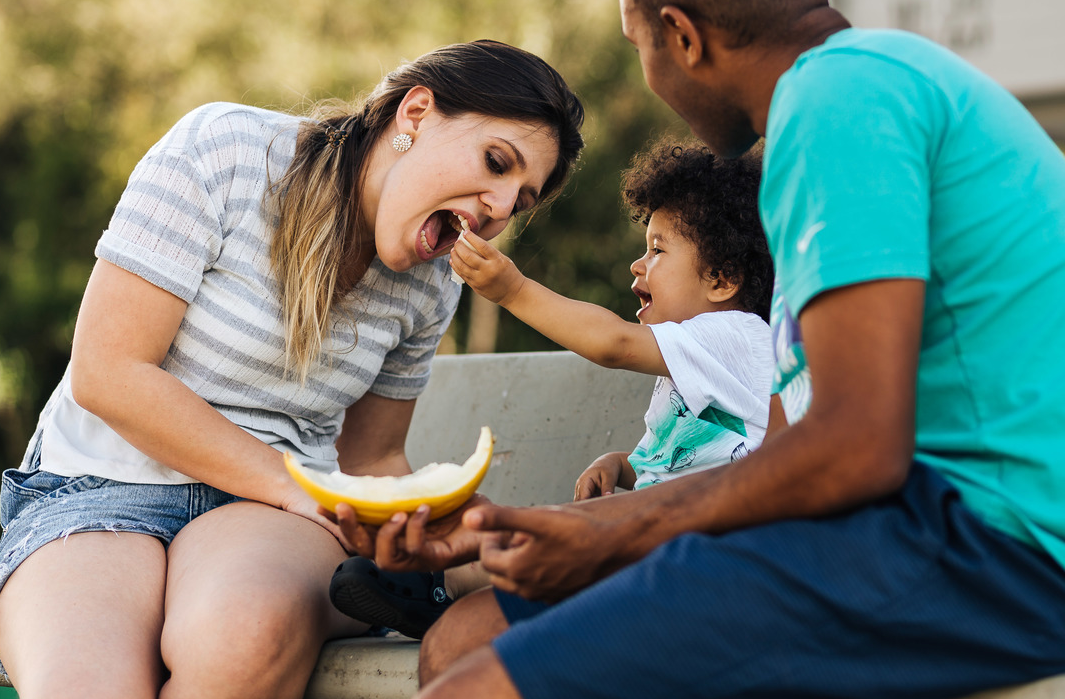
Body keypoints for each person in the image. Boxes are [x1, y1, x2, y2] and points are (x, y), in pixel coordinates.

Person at [338, 0, 1065, 699]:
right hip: (922, 532)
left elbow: (855, 450)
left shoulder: (841, 103)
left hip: (1009, 554)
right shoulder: (852, 104)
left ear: (682, 36)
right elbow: (794, 449)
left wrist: (610, 535)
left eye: (640, 48)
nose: (650, 76)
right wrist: (539, 530)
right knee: (459, 651)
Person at [0, 40, 583, 699]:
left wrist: (435, 526)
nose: (498, 209)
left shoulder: (433, 280)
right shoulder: (224, 149)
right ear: (416, 111)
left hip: (269, 519)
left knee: (241, 645)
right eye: (496, 163)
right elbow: (109, 374)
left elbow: (373, 457)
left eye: (520, 200)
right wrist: (296, 488)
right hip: (97, 487)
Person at [328, 139, 782, 639]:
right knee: (568, 528)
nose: (638, 265)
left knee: (560, 527)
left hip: (706, 552)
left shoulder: (744, 336)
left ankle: (443, 584)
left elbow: (611, 342)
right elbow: (680, 460)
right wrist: (623, 465)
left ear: (722, 278)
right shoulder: (691, 364)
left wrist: (512, 290)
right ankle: (445, 586)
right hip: (656, 541)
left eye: (657, 250)